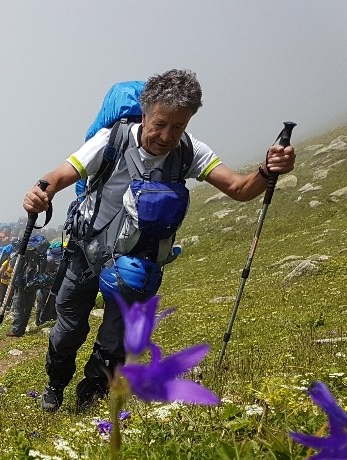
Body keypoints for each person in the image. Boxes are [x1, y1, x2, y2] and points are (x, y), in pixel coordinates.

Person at [22, 69, 296, 414]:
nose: (167, 136)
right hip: (86, 253)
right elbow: (61, 173)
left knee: (115, 341)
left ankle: (89, 399)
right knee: (69, 329)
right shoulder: (112, 140)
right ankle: (55, 384)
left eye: (178, 126)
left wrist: (268, 171)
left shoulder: (190, 150)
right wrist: (41, 191)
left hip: (135, 264)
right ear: (145, 111)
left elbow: (240, 189)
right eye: (160, 123)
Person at [6, 233, 50, 337]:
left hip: (22, 283)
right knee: (28, 305)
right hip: (33, 282)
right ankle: (22, 327)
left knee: (19, 306)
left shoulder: (20, 255)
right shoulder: (37, 253)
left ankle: (16, 330)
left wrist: (13, 283)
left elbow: (14, 268)